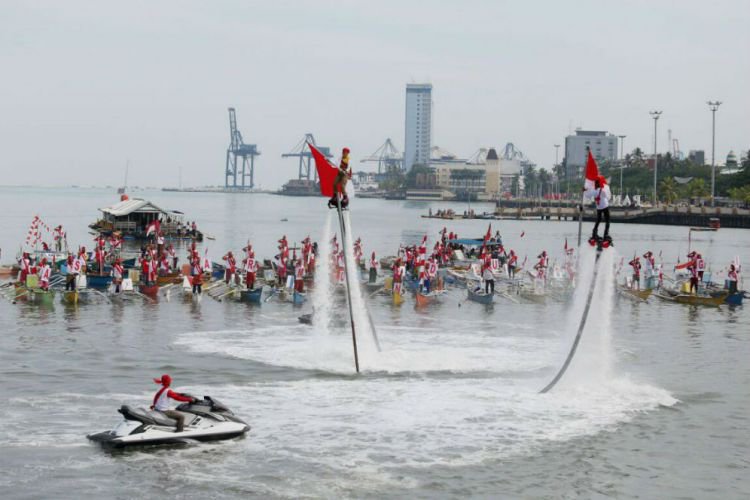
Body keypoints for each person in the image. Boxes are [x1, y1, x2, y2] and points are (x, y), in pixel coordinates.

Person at [584, 175, 612, 242]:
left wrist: (586, 189)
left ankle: (594, 233)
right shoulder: (603, 189)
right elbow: (607, 196)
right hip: (605, 206)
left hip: (598, 207)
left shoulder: (594, 190)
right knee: (607, 220)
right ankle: (606, 235)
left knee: (598, 220)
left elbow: (588, 195)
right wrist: (606, 187)